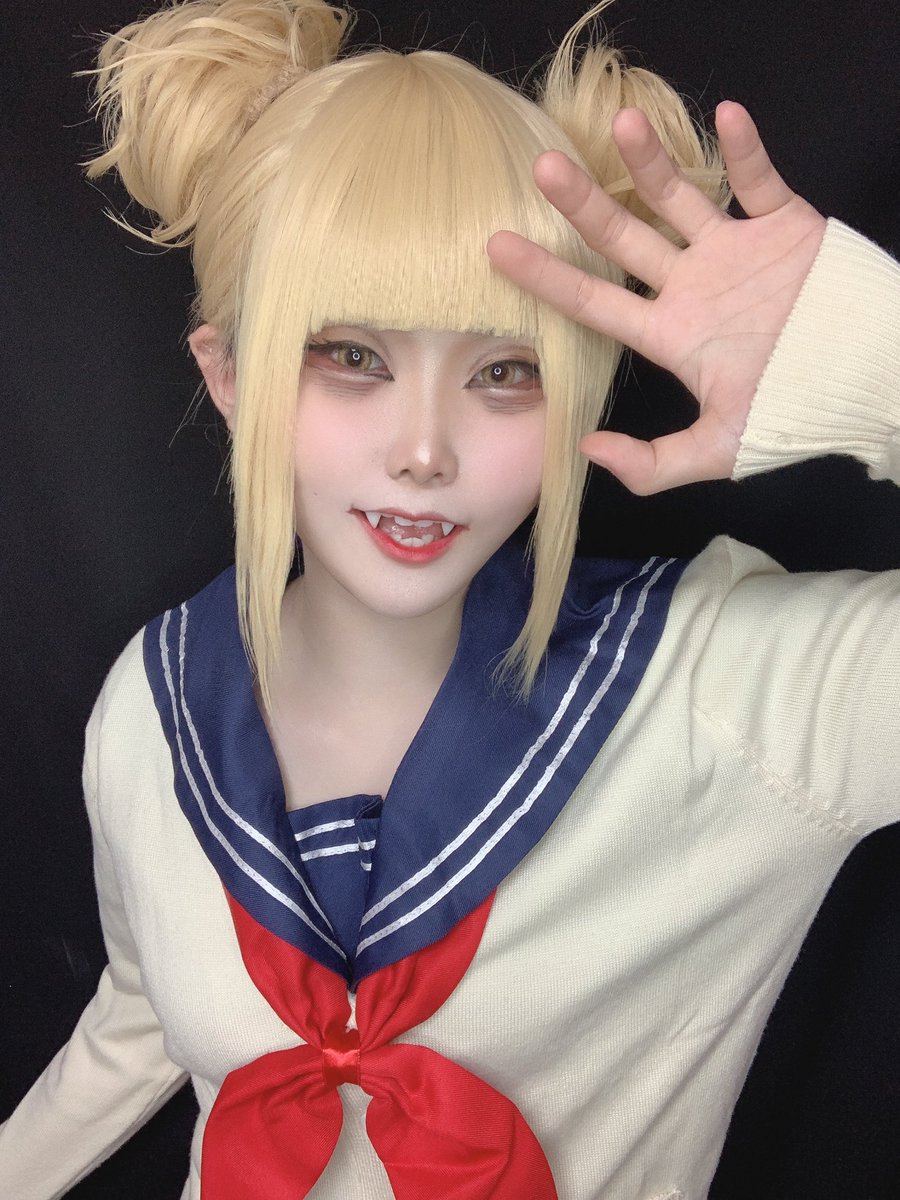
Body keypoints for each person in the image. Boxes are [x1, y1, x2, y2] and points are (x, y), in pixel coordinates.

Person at [0, 1, 897, 1198]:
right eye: (352, 357)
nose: (424, 451)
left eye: (505, 370)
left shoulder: (733, 696)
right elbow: (137, 1017)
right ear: (228, 375)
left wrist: (876, 362)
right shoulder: (150, 707)